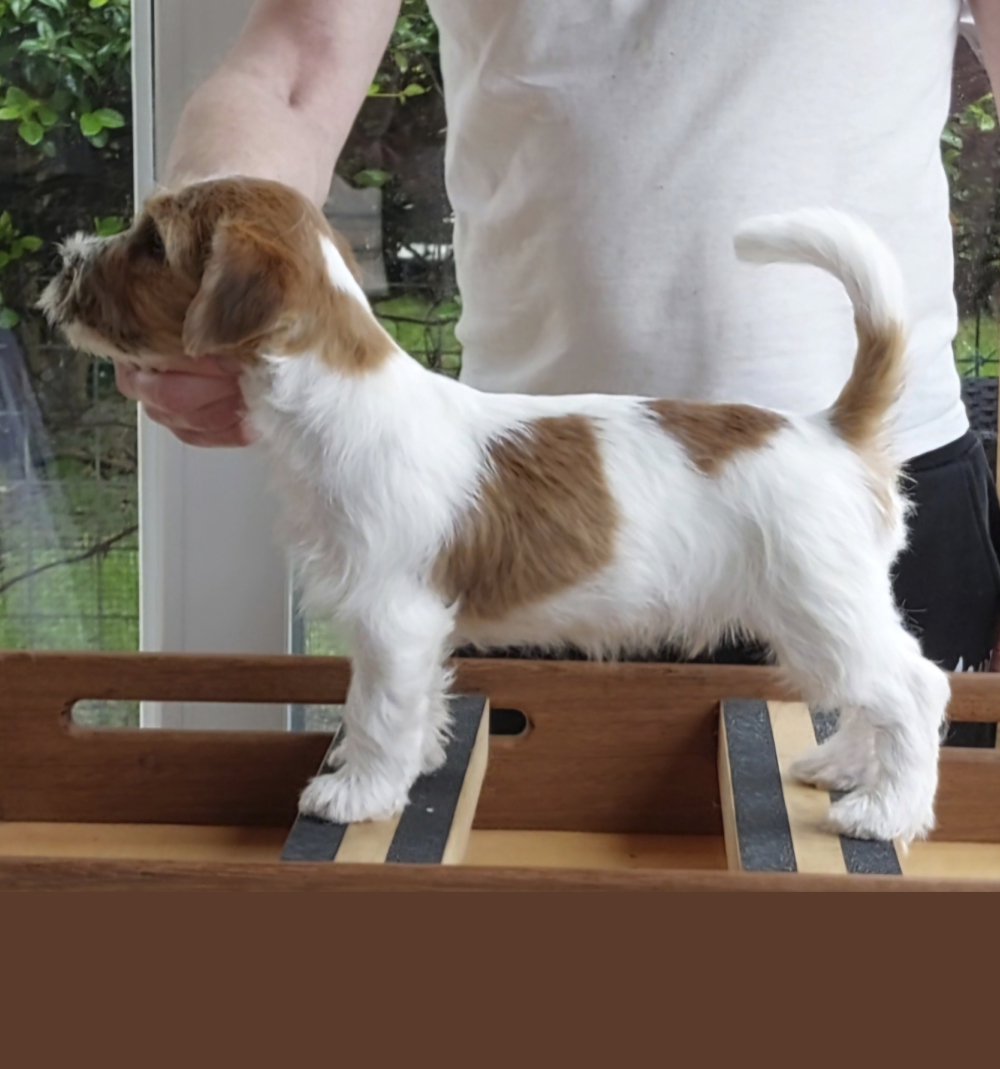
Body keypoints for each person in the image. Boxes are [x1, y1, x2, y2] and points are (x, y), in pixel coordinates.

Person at [116, 0, 1000, 745]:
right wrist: (205, 256)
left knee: (889, 914)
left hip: (869, 465)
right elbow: (297, 65)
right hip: (522, 506)